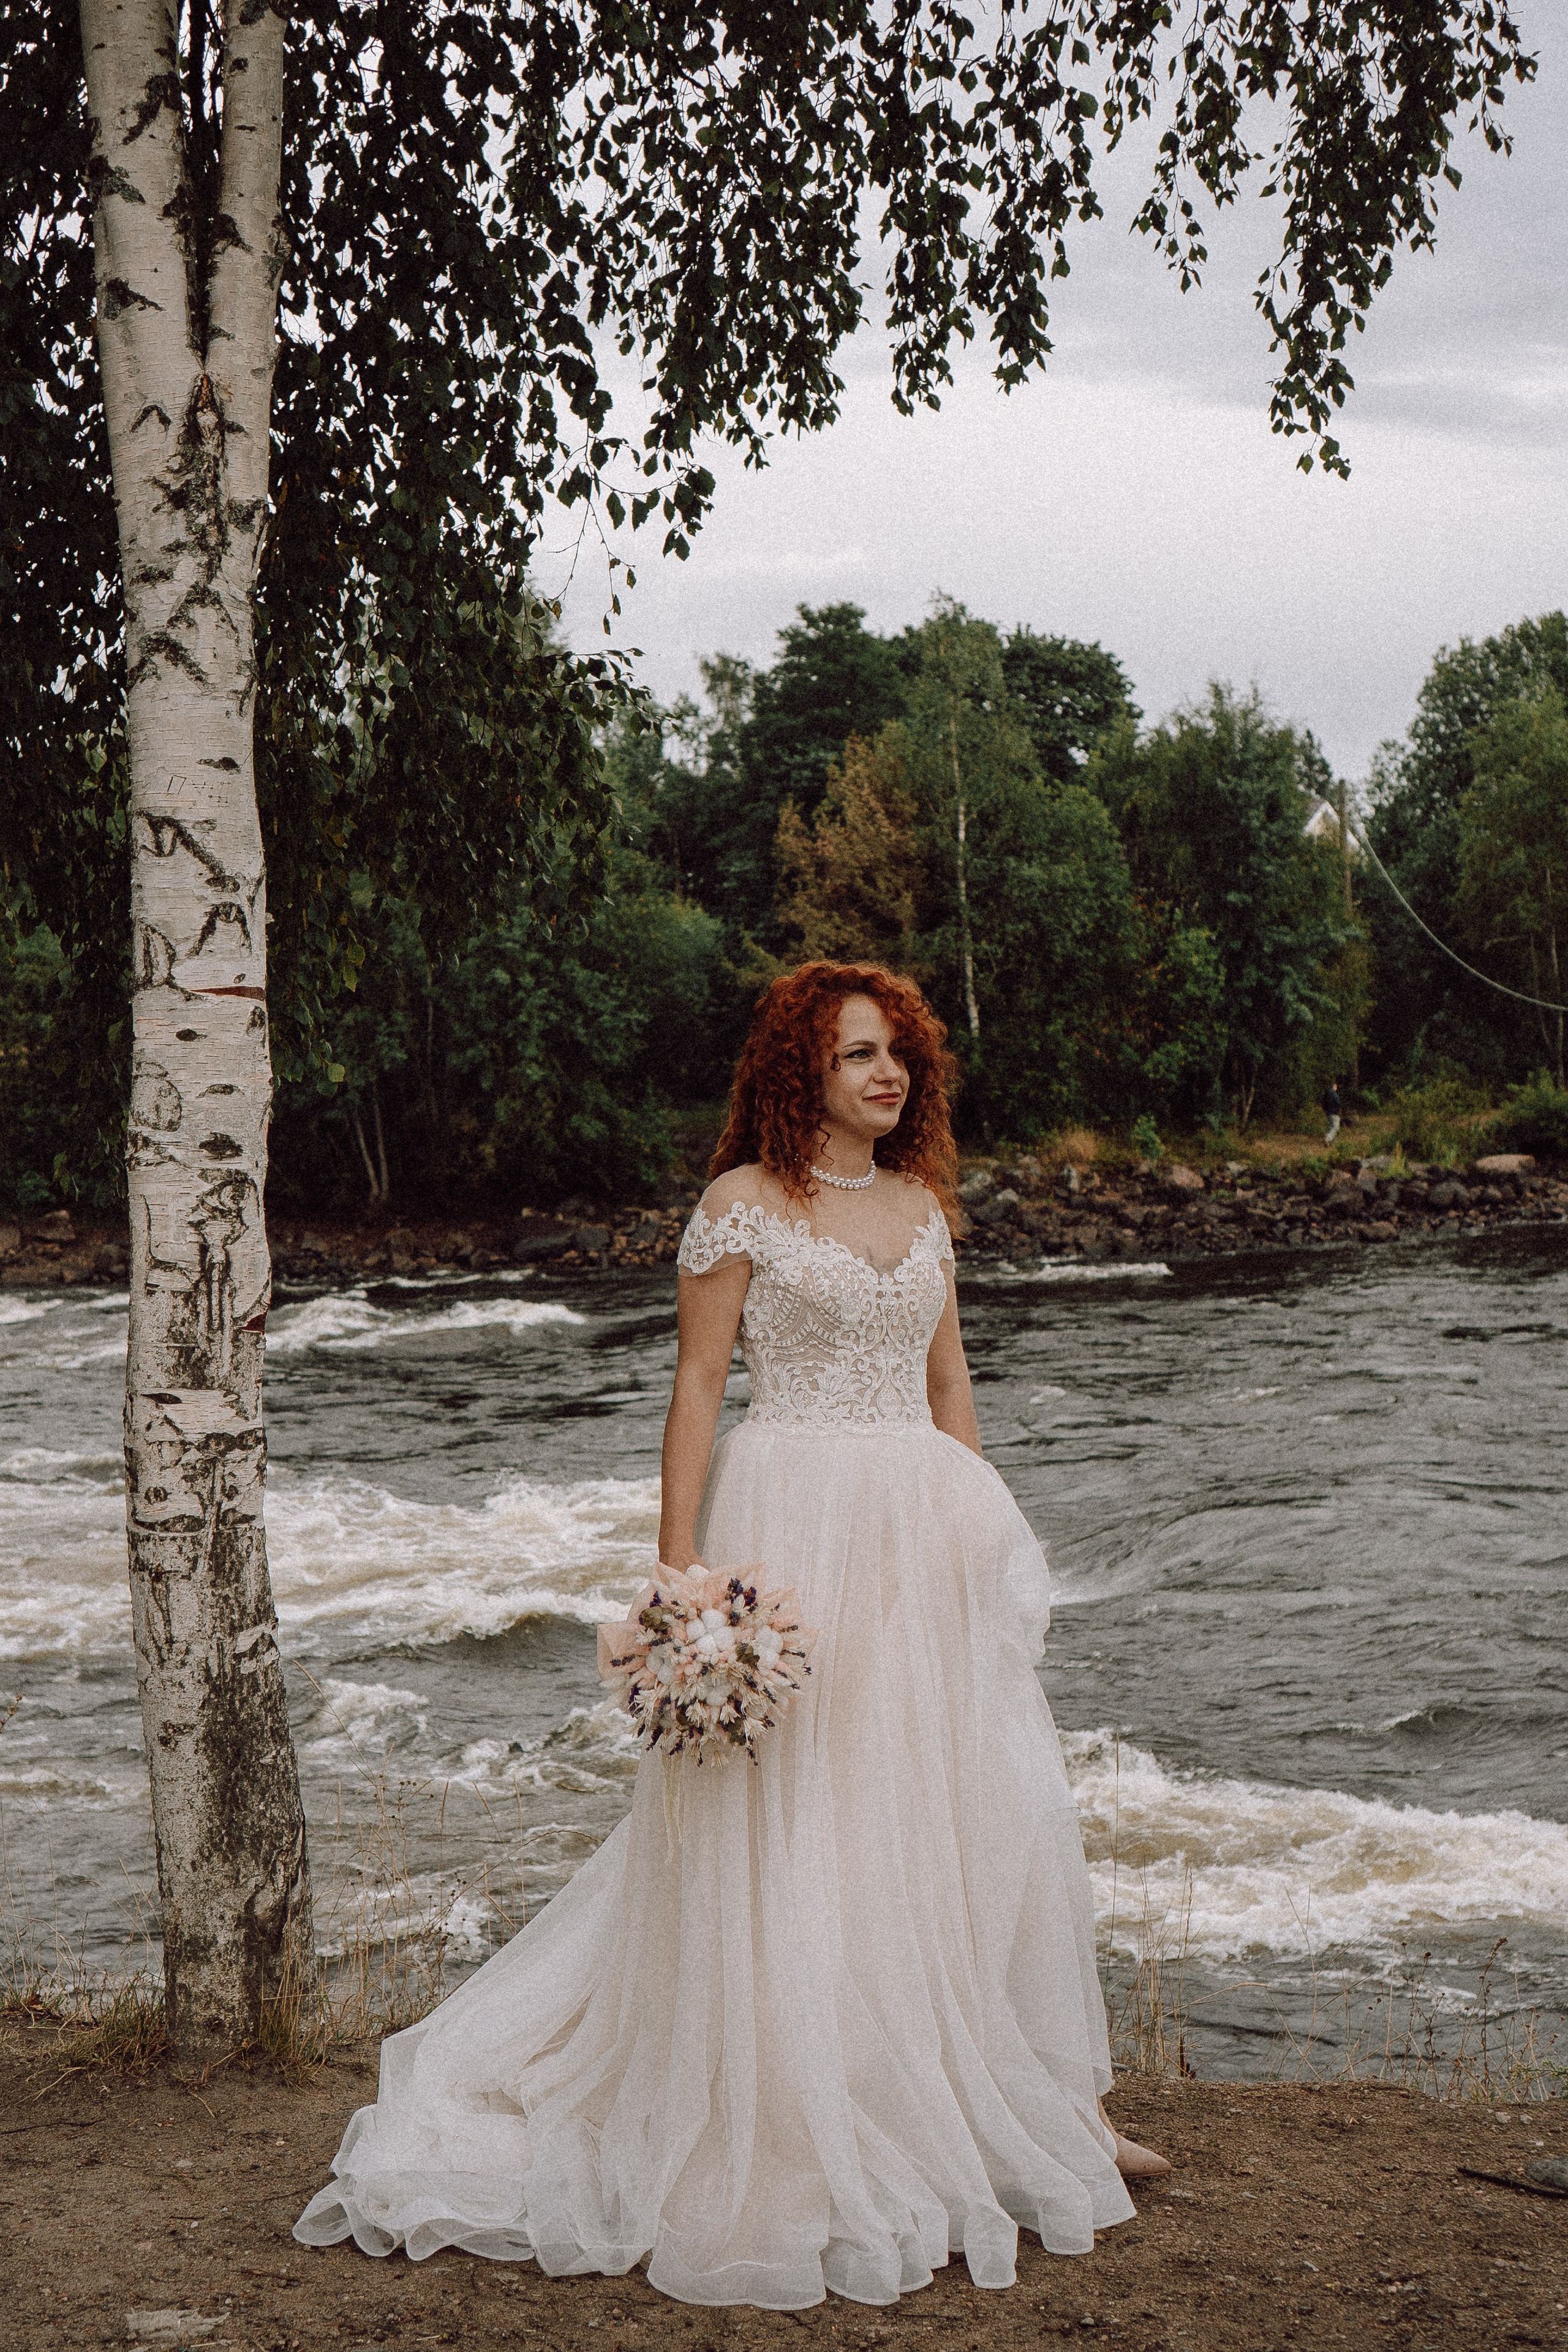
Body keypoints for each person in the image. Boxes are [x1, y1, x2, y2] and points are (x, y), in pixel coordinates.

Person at [295, 960, 1165, 2309]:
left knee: (958, 1797)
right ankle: (803, 2101)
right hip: (794, 1513)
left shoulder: (925, 1206)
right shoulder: (740, 1206)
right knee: (807, 1806)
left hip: (917, 1525)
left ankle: (1030, 2103)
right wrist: (680, 1577)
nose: (886, 1074)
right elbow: (698, 1386)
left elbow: (949, 1384)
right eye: (856, 1054)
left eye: (897, 1053)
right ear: (799, 1070)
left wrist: (979, 1540)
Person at [1322, 1079, 1342, 1146]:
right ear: (1335, 1086)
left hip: (1328, 1113)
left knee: (1331, 1126)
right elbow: (1338, 1102)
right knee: (1335, 1127)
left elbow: (1323, 1104)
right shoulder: (1334, 1094)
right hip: (1334, 1113)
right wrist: (1339, 1109)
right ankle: (1328, 1139)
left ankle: (1331, 1142)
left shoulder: (1326, 1094)